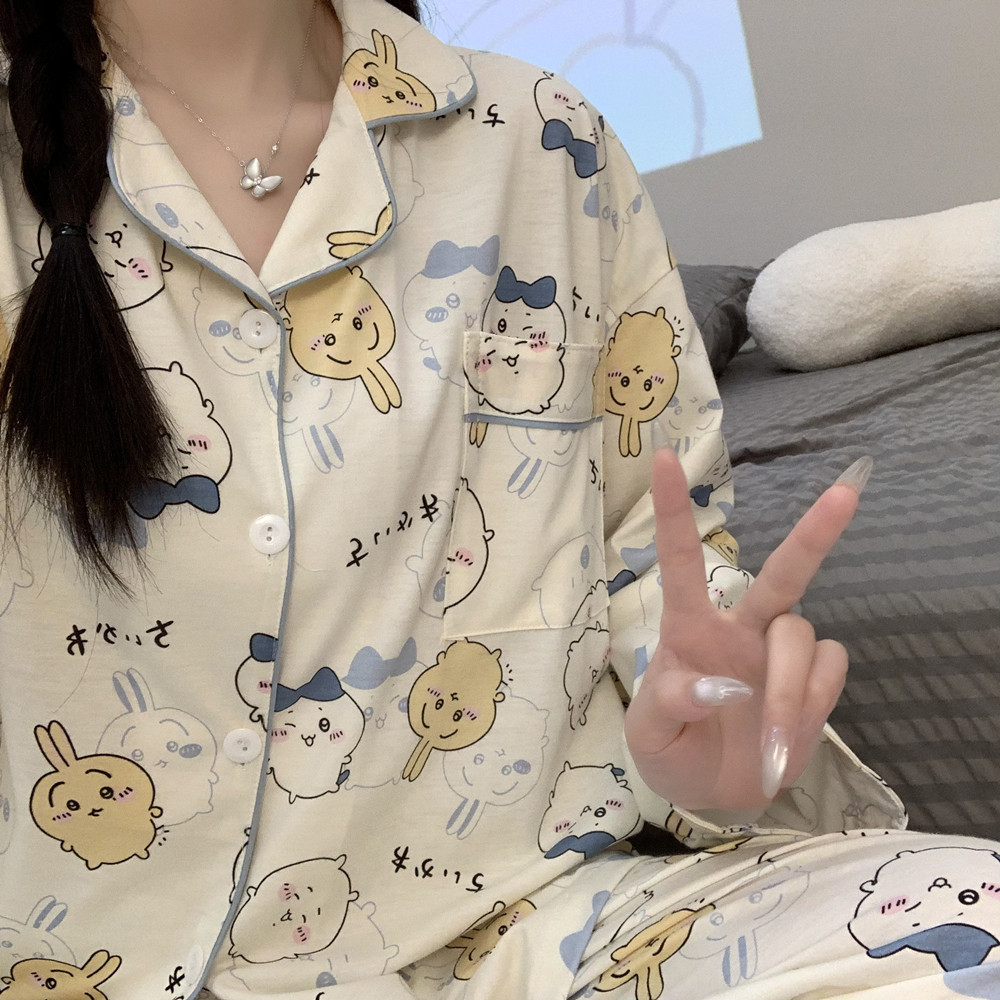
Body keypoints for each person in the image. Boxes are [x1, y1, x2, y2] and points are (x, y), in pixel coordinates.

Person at [0, 1, 996, 998]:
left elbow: (657, 554)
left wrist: (707, 755)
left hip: (528, 925)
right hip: (84, 960)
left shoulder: (541, 138)